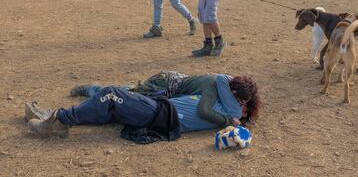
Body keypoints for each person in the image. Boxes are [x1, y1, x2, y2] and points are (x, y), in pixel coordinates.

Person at [26, 75, 260, 140]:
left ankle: (58, 122)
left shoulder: (232, 111)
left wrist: (233, 119)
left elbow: (220, 78)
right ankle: (54, 117)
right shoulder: (225, 104)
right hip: (159, 108)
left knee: (111, 94)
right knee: (111, 107)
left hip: (160, 113)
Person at [71, 72, 261, 126]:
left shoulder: (226, 85)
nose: (240, 104)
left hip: (169, 86)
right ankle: (92, 90)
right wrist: (229, 120)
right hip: (164, 86)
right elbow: (204, 111)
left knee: (130, 93)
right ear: (233, 92)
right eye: (240, 100)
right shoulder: (213, 86)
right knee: (123, 96)